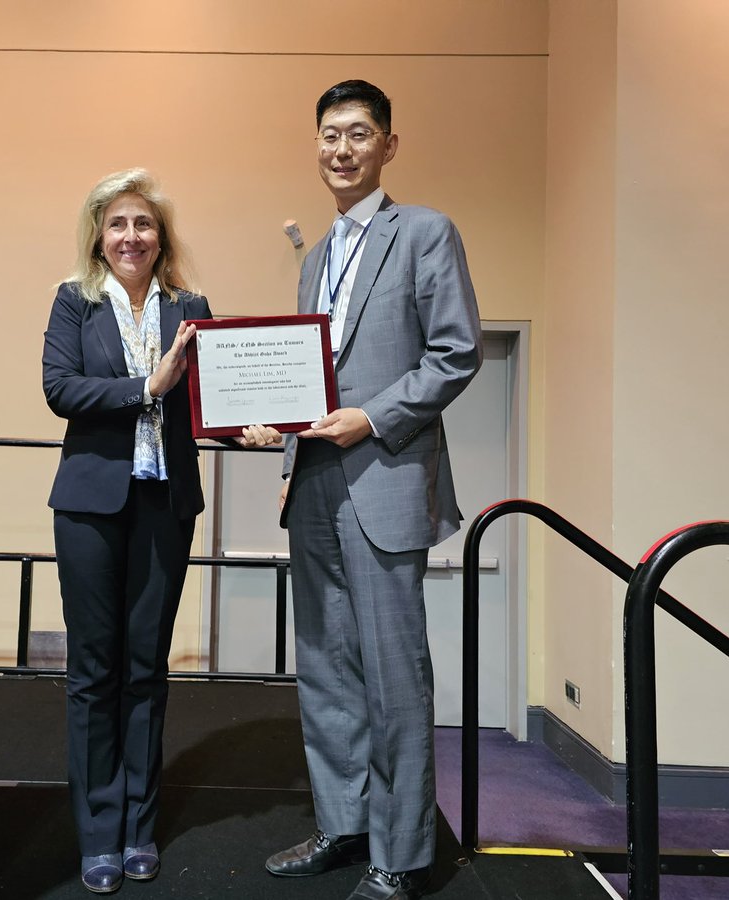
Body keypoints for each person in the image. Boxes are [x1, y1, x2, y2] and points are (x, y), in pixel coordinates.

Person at [263, 80, 484, 900]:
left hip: (384, 476)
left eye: (358, 133)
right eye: (328, 134)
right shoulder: (316, 255)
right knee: (323, 670)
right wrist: (276, 433)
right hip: (314, 483)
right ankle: (344, 823)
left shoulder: (424, 232)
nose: (341, 149)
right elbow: (304, 378)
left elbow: (454, 353)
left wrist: (371, 418)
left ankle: (401, 854)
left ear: (388, 145)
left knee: (395, 678)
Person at [42, 169, 275, 894]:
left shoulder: (191, 307)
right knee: (94, 673)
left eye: (143, 224)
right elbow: (59, 388)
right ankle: (98, 834)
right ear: (98, 236)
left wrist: (253, 432)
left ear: (161, 236)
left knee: (145, 668)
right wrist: (145, 388)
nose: (131, 236)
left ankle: (140, 826)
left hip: (164, 507)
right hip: (89, 507)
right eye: (117, 224)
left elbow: (211, 404)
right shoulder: (73, 303)